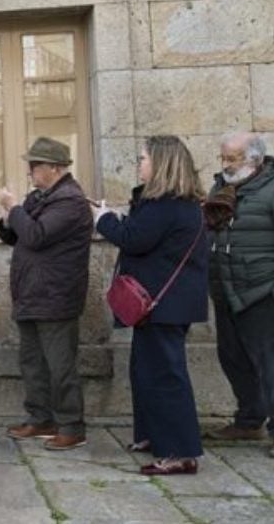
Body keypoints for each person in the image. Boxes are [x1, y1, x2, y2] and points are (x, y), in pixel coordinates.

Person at [94, 136, 209, 475]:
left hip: (163, 305)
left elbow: (133, 239)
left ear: (161, 163)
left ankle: (180, 453)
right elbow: (143, 234)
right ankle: (152, 436)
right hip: (162, 304)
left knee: (165, 377)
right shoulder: (173, 203)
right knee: (145, 372)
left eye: (143, 158)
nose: (138, 164)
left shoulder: (166, 205)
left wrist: (102, 219)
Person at [204, 132, 274, 459]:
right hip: (228, 291)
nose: (226, 164)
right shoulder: (220, 190)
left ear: (255, 159)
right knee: (233, 359)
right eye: (223, 157)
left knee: (273, 365)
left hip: (264, 293)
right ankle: (250, 420)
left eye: (233, 158)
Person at [0, 137, 93, 450]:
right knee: (33, 363)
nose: (30, 171)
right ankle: (41, 419)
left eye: (35, 165)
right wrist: (7, 218)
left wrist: (14, 208)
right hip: (32, 294)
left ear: (55, 168)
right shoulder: (40, 197)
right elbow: (16, 235)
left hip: (55, 295)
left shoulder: (70, 201)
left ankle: (71, 426)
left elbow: (36, 235)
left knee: (60, 365)